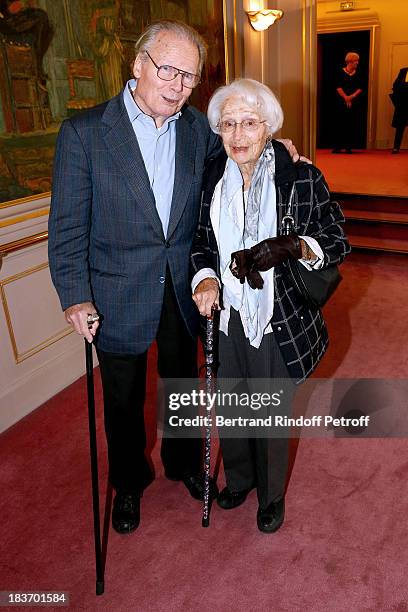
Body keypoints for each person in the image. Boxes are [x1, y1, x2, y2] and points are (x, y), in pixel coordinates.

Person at [48, 19, 303, 536]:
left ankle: (184, 463)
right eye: (168, 69)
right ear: (138, 66)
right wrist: (75, 296)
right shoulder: (85, 133)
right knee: (121, 399)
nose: (178, 84)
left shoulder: (195, 130)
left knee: (182, 385)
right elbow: (68, 226)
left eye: (188, 76)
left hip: (185, 287)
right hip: (116, 291)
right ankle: (130, 482)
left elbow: (239, 153)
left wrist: (279, 149)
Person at [191, 78, 350, 533]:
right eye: (228, 125)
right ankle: (239, 478)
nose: (238, 135)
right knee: (232, 399)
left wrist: (293, 245)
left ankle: (271, 494)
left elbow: (337, 240)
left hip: (279, 315)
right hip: (226, 316)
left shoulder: (301, 175)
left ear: (268, 128)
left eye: (249, 123)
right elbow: (200, 242)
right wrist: (205, 279)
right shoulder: (209, 178)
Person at [332, 51, 363, 154]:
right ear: (349, 61)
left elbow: (360, 87)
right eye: (355, 61)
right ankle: (338, 146)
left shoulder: (358, 73)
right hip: (340, 101)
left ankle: (348, 146)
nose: (357, 63)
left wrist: (351, 97)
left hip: (354, 102)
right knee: (339, 123)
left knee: (351, 124)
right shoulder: (339, 72)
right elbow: (338, 86)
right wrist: (345, 97)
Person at [390, 66, 408, 153]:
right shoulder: (403, 71)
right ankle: (396, 147)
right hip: (403, 103)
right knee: (400, 126)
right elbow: (395, 84)